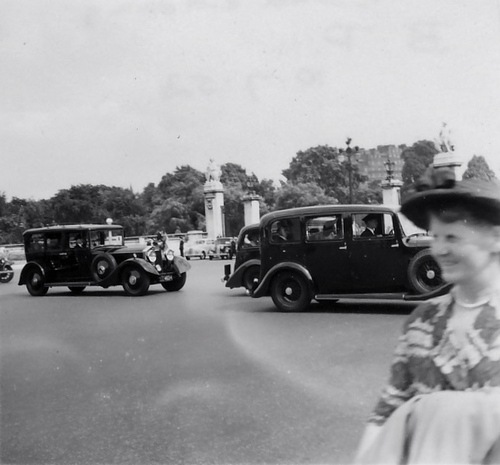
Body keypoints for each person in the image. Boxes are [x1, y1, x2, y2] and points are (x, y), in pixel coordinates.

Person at [355, 167, 500, 464]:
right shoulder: (422, 320)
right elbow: (388, 409)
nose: (439, 249)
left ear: (495, 239)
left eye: (453, 237)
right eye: (435, 236)